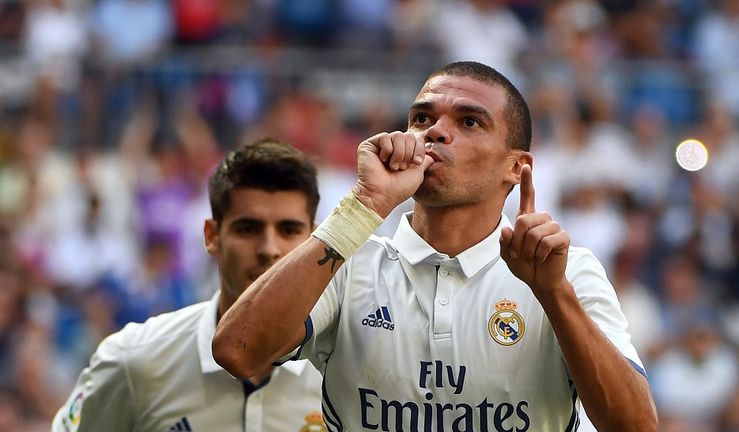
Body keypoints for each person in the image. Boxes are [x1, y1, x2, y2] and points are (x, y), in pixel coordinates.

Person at [213, 61, 658, 431]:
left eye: (468, 121)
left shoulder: (567, 273)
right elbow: (238, 351)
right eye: (422, 118)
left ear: (517, 168)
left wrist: (554, 295)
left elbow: (636, 427)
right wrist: (364, 206)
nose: (435, 132)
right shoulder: (350, 265)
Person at [52, 139, 327, 432]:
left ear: (315, 239)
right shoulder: (135, 360)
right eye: (248, 228)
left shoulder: (342, 371)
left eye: (288, 230)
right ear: (212, 236)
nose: (269, 248)